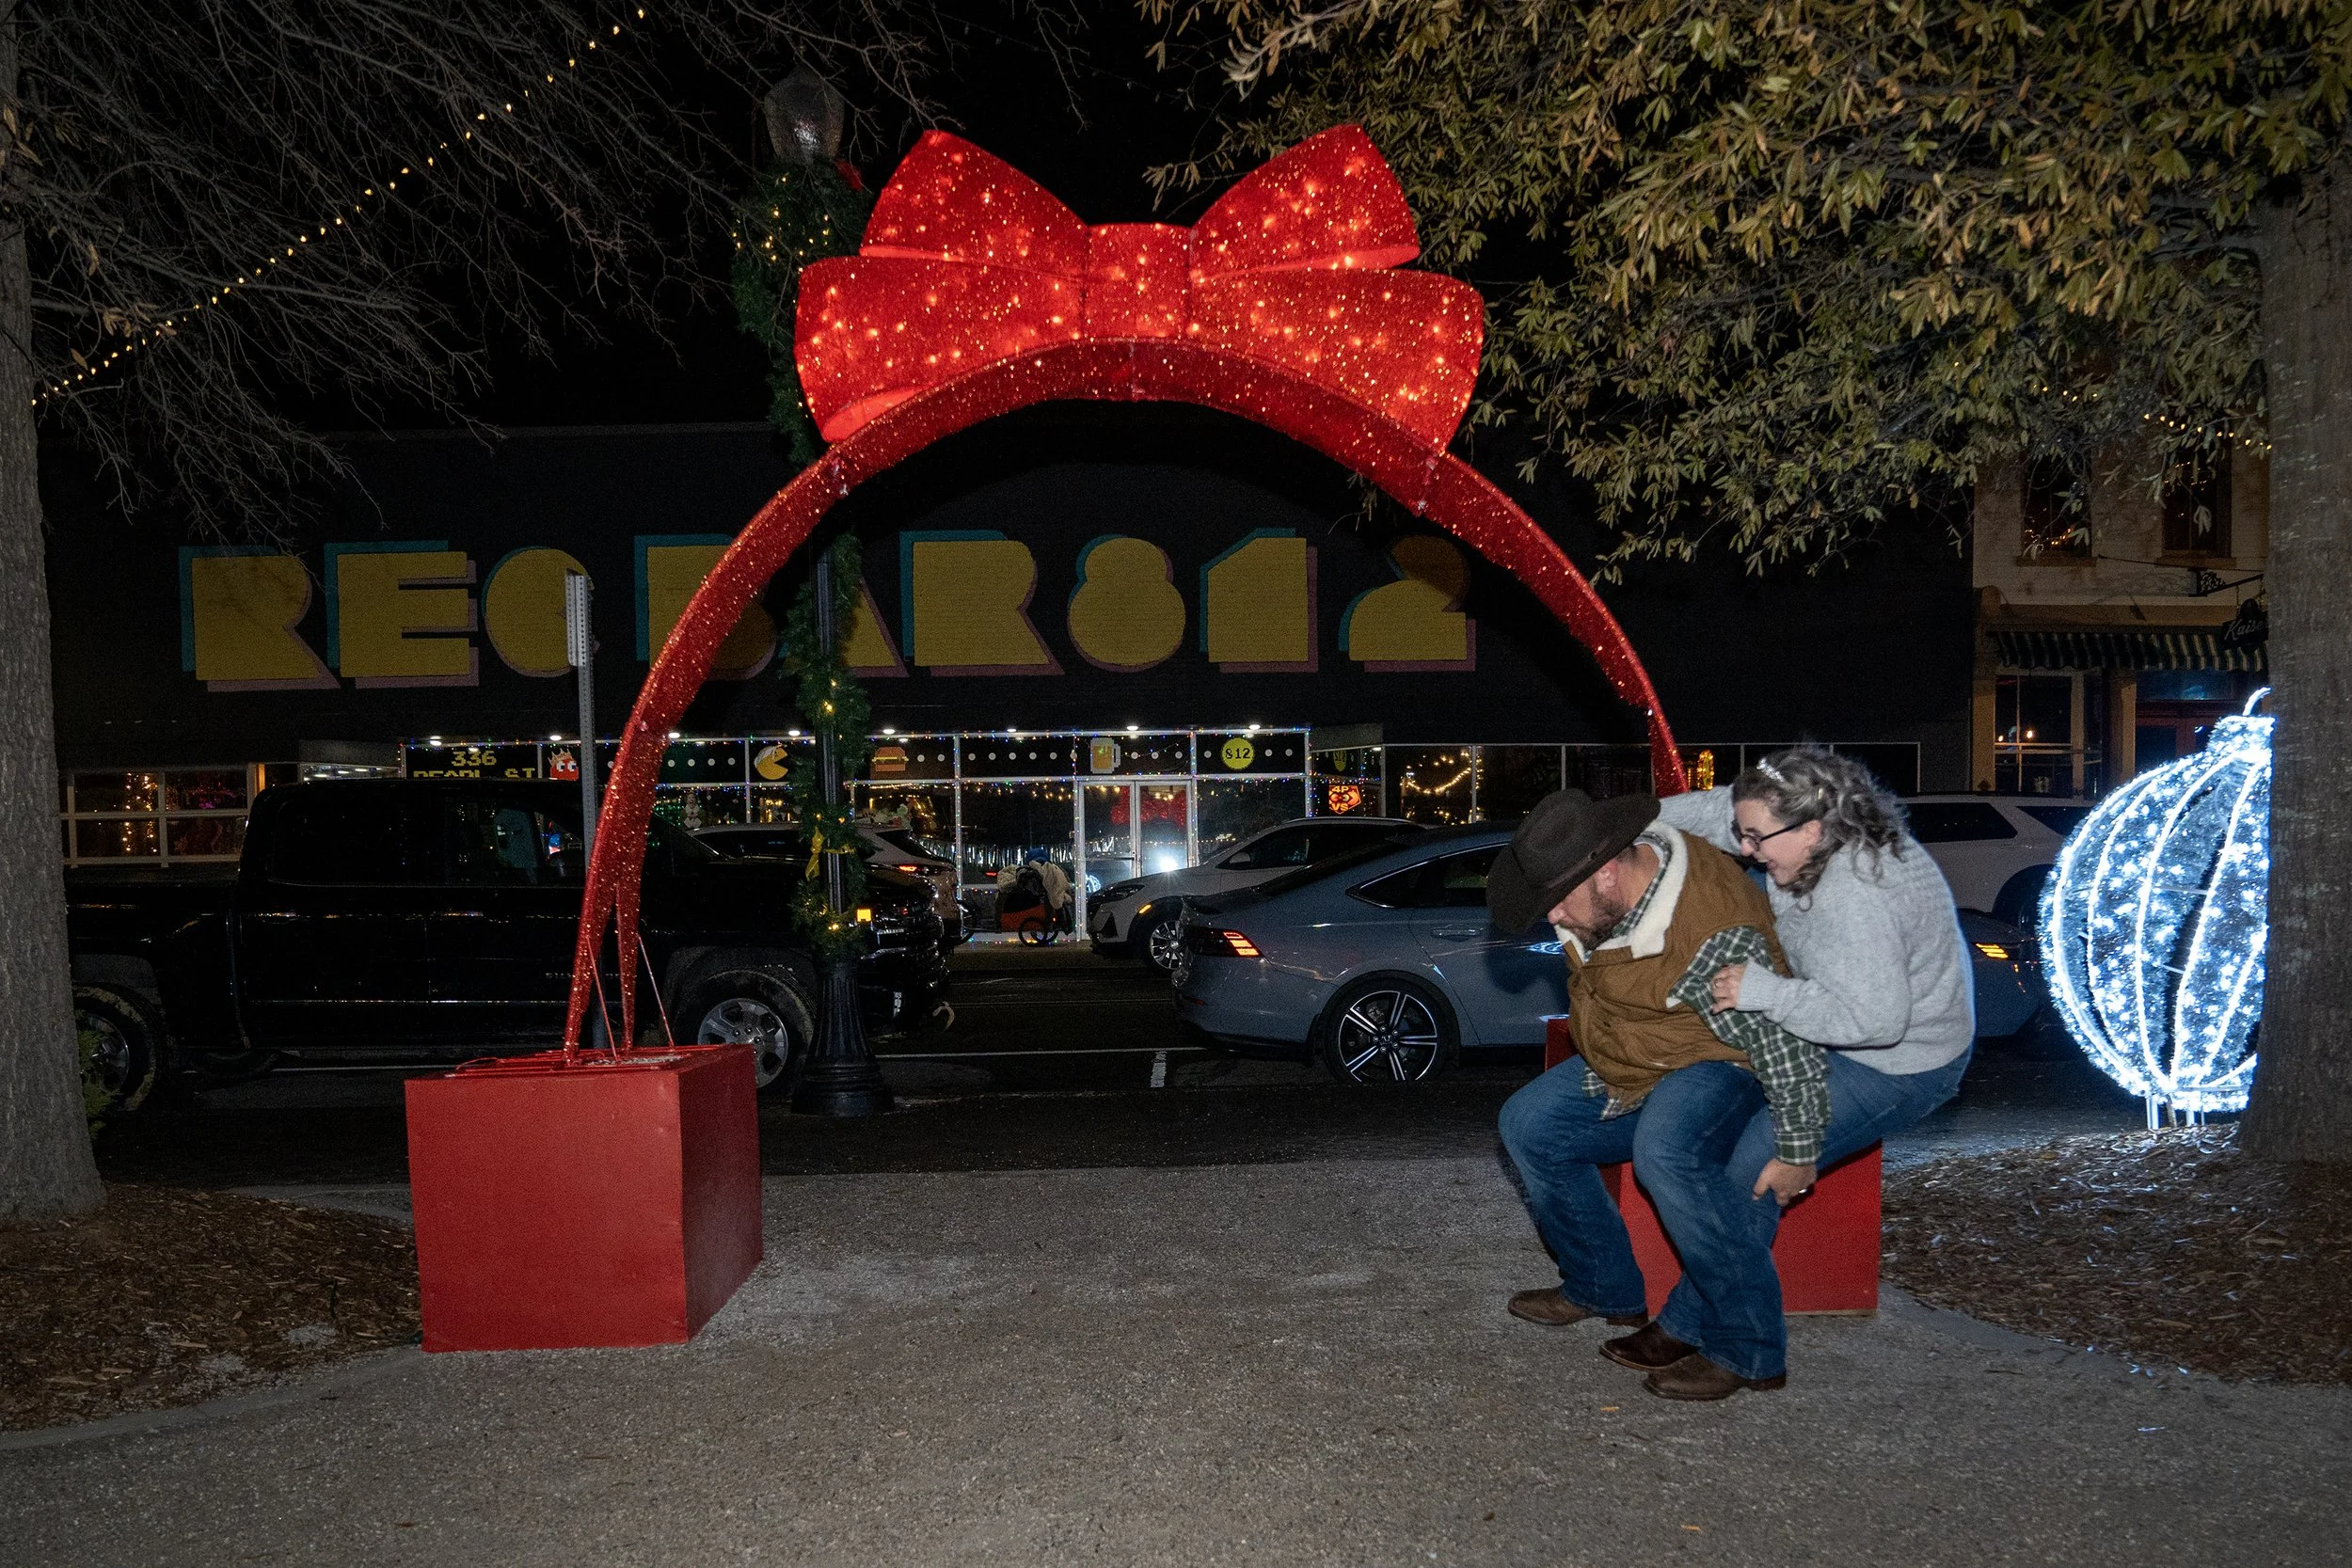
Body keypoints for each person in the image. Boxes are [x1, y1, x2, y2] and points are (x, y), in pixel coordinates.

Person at [1634, 746, 1974, 1385]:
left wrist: (1763, 990)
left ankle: (1746, 1350)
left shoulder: (1857, 893)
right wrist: (1626, 821)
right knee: (1721, 1146)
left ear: (1814, 828)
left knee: (1758, 1163)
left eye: (1759, 838)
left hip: (1902, 1061)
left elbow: (1875, 1020)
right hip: (1845, 1030)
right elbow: (1715, 813)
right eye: (1746, 832)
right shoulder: (1801, 833)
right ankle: (1687, 1319)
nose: (1747, 848)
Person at [1490, 788, 1831, 1402]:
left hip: (1725, 1058)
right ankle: (1604, 1286)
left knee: (1665, 1146)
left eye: (1558, 901)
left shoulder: (1717, 931)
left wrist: (1797, 1144)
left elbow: (1780, 1042)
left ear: (1607, 871)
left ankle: (1749, 1344)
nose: (1553, 918)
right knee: (1528, 1122)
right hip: (1641, 1053)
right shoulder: (1603, 901)